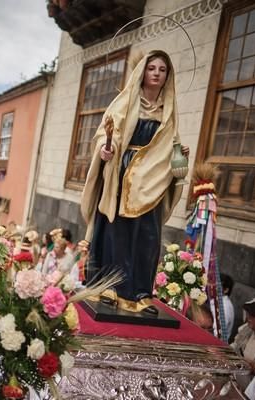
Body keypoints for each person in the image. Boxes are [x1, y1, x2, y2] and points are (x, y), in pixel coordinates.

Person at [80, 50, 189, 313]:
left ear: (167, 76)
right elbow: (107, 136)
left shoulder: (168, 110)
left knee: (147, 237)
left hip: (152, 182)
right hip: (122, 176)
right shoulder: (126, 102)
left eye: (162, 70)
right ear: (143, 71)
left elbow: (171, 146)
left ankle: (140, 293)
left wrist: (180, 158)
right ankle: (109, 287)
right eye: (152, 68)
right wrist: (106, 150)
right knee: (117, 232)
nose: (156, 74)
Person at [210, 273, 235, 340]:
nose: (212, 287)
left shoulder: (225, 307)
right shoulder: (215, 300)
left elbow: (216, 332)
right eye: (212, 284)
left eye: (216, 286)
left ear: (226, 290)